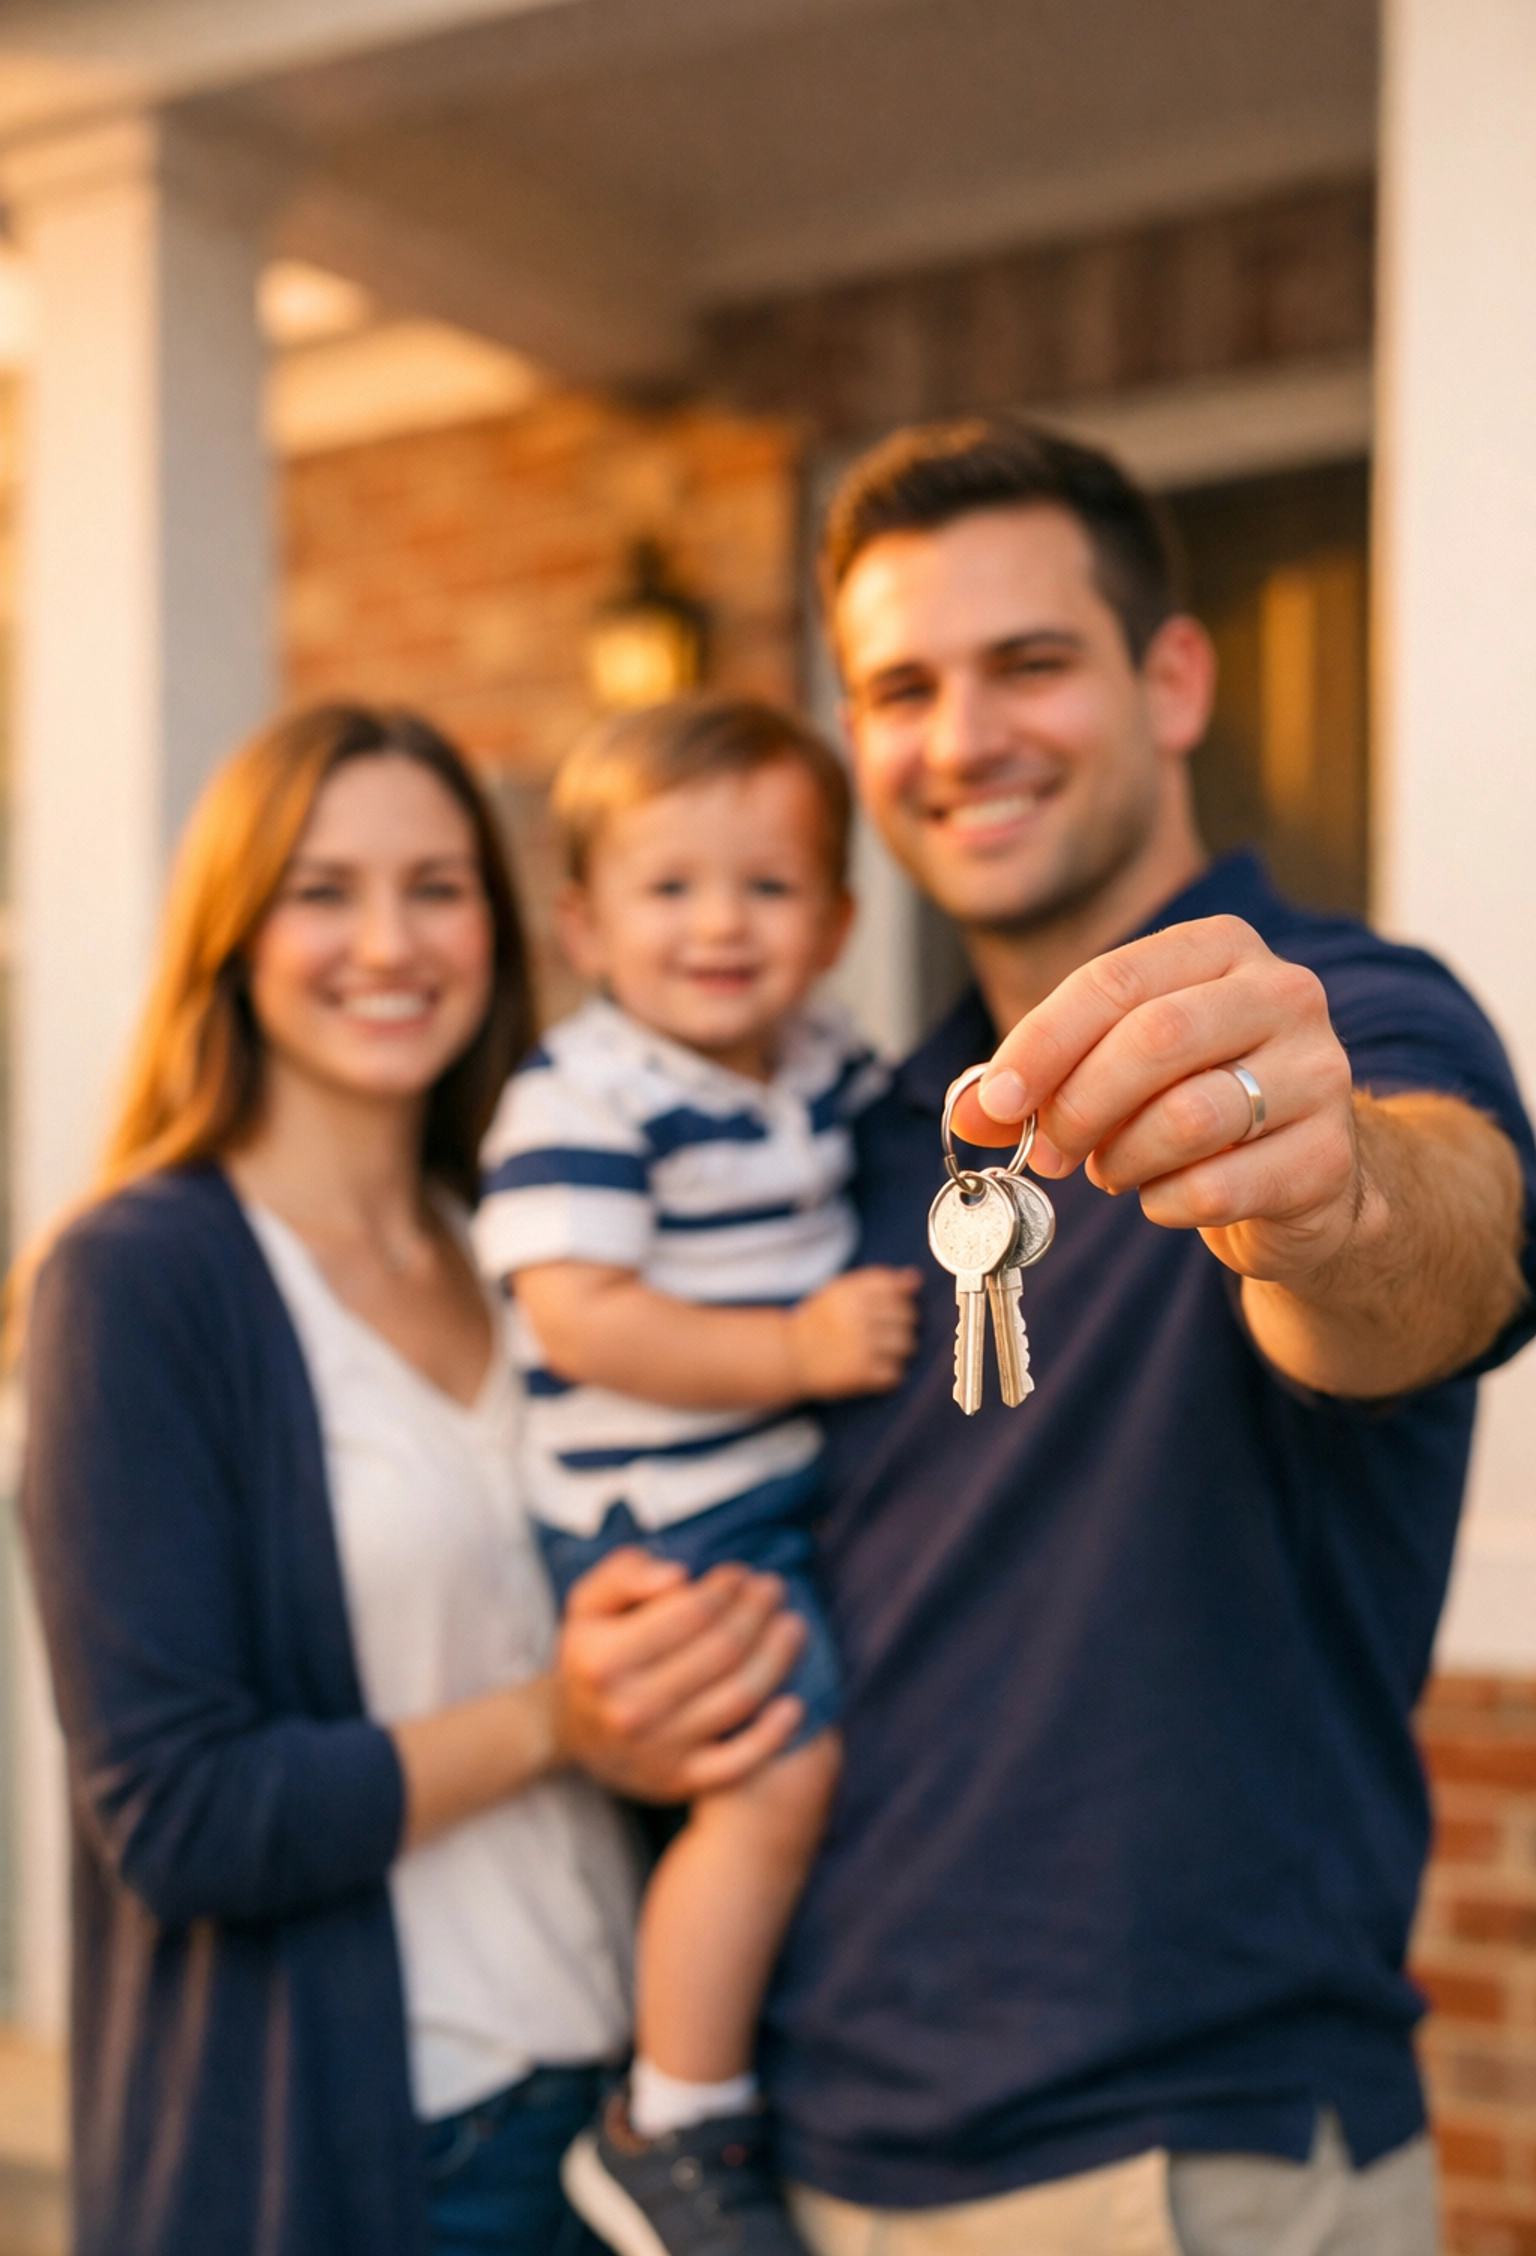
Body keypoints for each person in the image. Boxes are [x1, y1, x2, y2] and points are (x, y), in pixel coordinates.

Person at [728, 419, 1534, 2256]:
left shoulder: (1339, 1016)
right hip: (815, 2152)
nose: (961, 738)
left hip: (1183, 2166)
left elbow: (1453, 1251)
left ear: (1173, 677)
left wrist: (1331, 1207)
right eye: (901, 687)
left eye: (1028, 663)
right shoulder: (860, 1130)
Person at [19, 702, 808, 2256]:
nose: (389, 940)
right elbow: (178, 1815)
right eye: (323, 891)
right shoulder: (144, 1280)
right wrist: (553, 1721)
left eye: (438, 886)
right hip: (388, 2153)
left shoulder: (534, 1242)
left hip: (630, 2129)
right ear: (234, 933)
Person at [472, 697, 919, 2256]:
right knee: (773, 1773)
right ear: (588, 924)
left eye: (769, 887)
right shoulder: (584, 1096)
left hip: (753, 1486)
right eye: (670, 890)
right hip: (656, 1504)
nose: (720, 925)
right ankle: (671, 2114)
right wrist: (791, 1350)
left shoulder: (824, 1062)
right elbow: (577, 1316)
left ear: (841, 920)